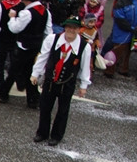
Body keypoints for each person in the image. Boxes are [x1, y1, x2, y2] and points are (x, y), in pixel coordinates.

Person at [30, 16, 91, 146]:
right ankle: (42, 133)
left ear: (79, 30)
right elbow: (43, 57)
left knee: (63, 110)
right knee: (45, 107)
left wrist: (83, 85)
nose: (71, 30)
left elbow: (85, 68)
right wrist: (35, 74)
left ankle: (57, 135)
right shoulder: (52, 39)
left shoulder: (84, 47)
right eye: (69, 27)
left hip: (67, 83)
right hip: (50, 81)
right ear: (65, 28)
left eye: (74, 28)